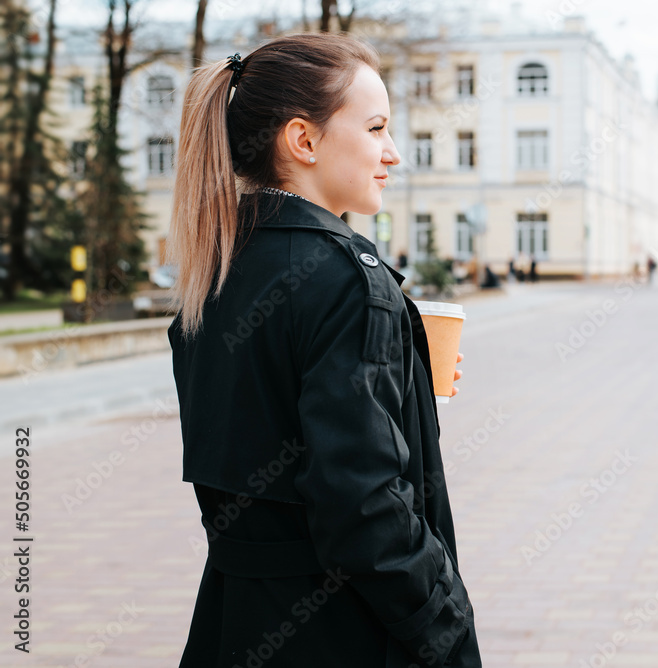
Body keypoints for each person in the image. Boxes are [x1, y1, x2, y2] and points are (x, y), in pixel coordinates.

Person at [165, 34, 481, 667]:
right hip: (341, 631)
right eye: (375, 127)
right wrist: (446, 629)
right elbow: (362, 506)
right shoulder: (347, 277)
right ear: (303, 141)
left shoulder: (217, 266)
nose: (392, 153)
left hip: (233, 620)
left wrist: (406, 395)